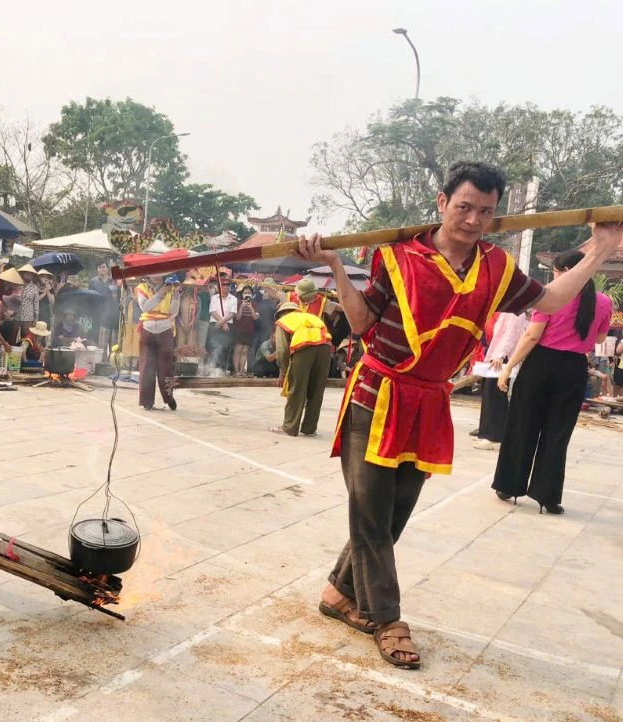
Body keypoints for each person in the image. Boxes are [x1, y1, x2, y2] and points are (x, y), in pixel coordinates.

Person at [294, 161, 623, 670]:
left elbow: (552, 300)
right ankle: (387, 617)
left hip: (430, 400)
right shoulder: (396, 256)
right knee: (371, 513)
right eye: (464, 207)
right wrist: (337, 267)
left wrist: (601, 248)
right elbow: (362, 324)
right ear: (442, 201)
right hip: (376, 394)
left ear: (496, 216)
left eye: (486, 212)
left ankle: (339, 593)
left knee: (394, 512)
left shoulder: (496, 267)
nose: (472, 220)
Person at [492, 250, 613, 514]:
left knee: (523, 424)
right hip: (574, 368)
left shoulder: (553, 296)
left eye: (557, 272)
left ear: (568, 271)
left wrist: (508, 367)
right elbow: (601, 338)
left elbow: (532, 336)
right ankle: (548, 496)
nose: (555, 276)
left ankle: (510, 486)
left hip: (540, 365)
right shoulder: (604, 302)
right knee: (557, 433)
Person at [272, 299, 333, 436]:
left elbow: (282, 351)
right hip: (325, 348)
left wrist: (284, 372)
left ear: (283, 312)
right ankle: (310, 428)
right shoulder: (312, 317)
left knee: (297, 389)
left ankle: (289, 427)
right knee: (316, 390)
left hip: (303, 348)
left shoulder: (283, 321)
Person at [472, 312, 529, 449]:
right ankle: (487, 433)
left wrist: (501, 355)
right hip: (497, 355)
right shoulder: (508, 311)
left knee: (496, 395)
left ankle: (494, 436)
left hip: (503, 358)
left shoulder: (516, 313)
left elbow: (511, 336)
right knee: (489, 395)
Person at [135, 275, 180, 411]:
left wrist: (176, 296)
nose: (157, 275)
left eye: (160, 272)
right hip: (147, 328)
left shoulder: (172, 287)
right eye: (154, 272)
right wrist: (161, 294)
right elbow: (145, 307)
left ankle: (169, 397)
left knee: (166, 367)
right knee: (146, 366)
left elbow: (173, 312)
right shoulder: (141, 288)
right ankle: (146, 401)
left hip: (165, 328)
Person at [207, 277, 238, 373]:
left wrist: (223, 322)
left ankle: (222, 370)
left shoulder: (233, 298)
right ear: (220, 287)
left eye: (228, 285)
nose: (226, 287)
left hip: (228, 325)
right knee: (213, 346)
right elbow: (212, 311)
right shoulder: (214, 298)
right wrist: (222, 322)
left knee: (225, 347)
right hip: (215, 324)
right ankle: (211, 368)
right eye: (224, 285)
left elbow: (232, 313)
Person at [89, 262, 120, 351]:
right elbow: (90, 297)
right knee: (100, 342)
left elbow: (118, 297)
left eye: (103, 267)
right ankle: (100, 362)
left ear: (107, 269)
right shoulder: (93, 282)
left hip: (113, 314)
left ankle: (112, 362)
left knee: (113, 343)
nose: (102, 269)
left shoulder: (113, 281)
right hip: (98, 314)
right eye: (99, 267)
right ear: (97, 269)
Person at [232, 288, 260, 376]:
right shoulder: (238, 303)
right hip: (239, 330)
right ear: (242, 294)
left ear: (252, 294)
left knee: (245, 351)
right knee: (238, 350)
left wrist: (250, 307)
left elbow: (255, 317)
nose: (247, 294)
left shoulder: (254, 304)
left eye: (249, 293)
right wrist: (241, 307)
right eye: (245, 293)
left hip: (249, 330)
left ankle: (241, 371)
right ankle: (236, 371)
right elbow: (237, 317)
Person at [17, 264, 40, 338]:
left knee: (26, 338)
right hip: (15, 314)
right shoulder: (17, 284)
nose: (28, 275)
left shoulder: (34, 287)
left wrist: (36, 318)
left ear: (33, 275)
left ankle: (25, 350)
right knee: (12, 337)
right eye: (26, 272)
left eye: (31, 273)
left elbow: (36, 303)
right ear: (22, 273)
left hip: (28, 315)